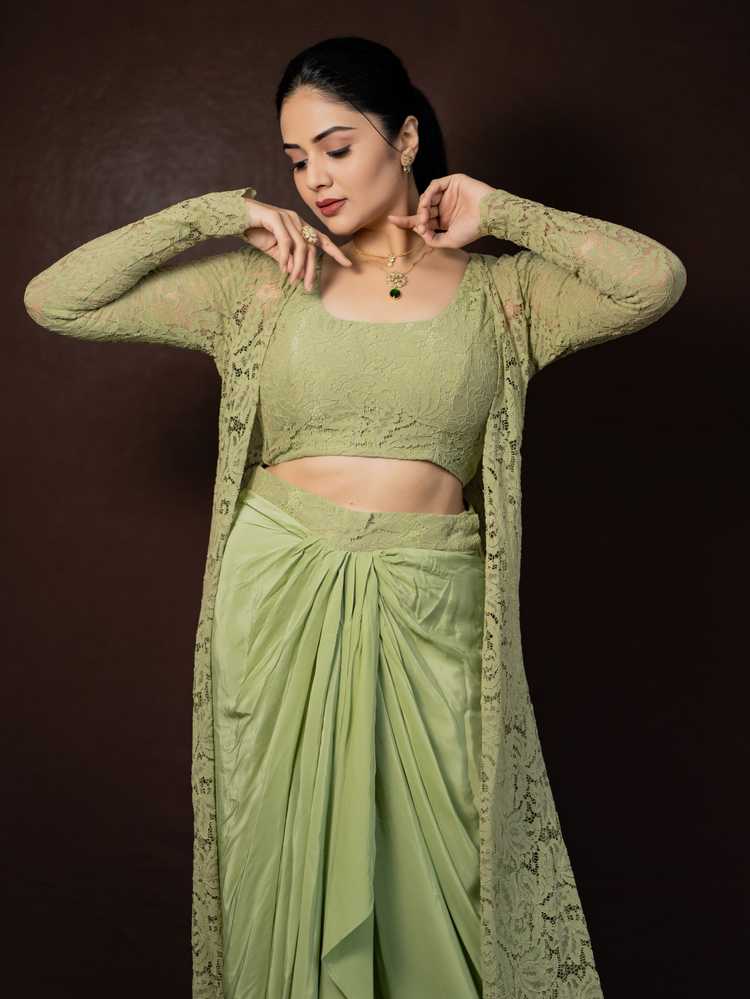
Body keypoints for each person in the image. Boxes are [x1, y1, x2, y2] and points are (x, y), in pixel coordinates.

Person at [23, 34, 687, 999]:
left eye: (337, 148)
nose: (315, 180)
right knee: (283, 880)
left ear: (405, 137)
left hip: (431, 607)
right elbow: (56, 301)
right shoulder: (262, 285)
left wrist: (500, 211)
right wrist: (217, 214)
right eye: (297, 160)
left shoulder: (507, 296)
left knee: (445, 889)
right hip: (281, 597)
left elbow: (653, 279)